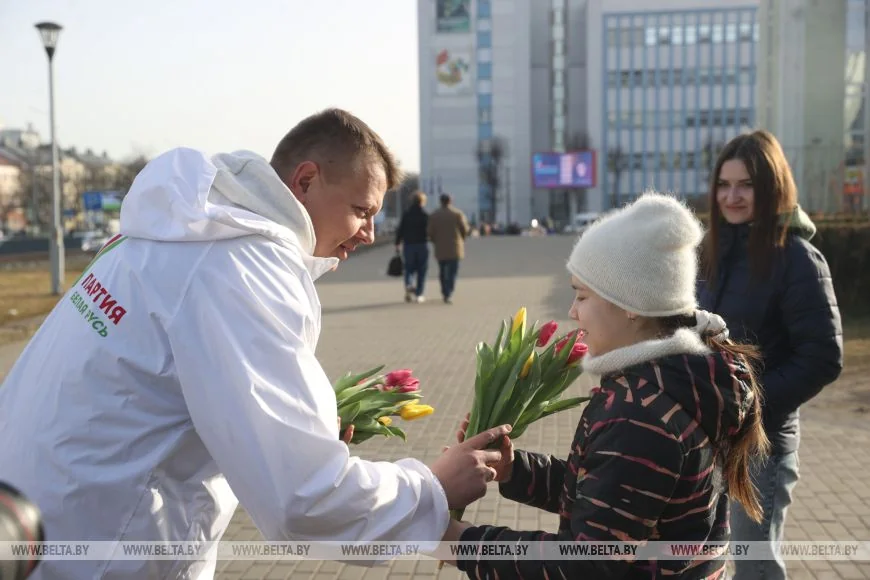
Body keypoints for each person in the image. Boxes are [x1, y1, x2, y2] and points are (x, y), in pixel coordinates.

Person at [0, 108, 510, 579]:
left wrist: (287, 428)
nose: (371, 234)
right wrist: (431, 487)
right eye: (361, 210)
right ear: (306, 181)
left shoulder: (171, 231)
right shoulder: (243, 265)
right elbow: (305, 499)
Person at [439, 192, 771, 579]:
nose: (572, 311)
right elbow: (614, 497)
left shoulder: (640, 413)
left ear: (629, 303)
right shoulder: (680, 380)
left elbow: (588, 564)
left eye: (581, 294)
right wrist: (516, 470)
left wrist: (463, 541)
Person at [697, 130, 843, 580]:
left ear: (772, 187)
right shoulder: (708, 254)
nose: (732, 196)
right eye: (724, 185)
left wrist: (750, 407)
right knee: (703, 561)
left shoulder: (798, 258)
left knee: (756, 566)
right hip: (705, 441)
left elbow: (822, 356)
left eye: (746, 185)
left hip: (759, 447)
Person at [427, 193, 469, 304]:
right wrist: (462, 239)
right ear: (450, 201)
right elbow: (464, 229)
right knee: (452, 272)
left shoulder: (434, 215)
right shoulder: (457, 214)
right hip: (455, 247)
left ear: (440, 201)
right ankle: (449, 292)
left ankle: (444, 291)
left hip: (440, 247)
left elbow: (430, 232)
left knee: (442, 271)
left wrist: (434, 240)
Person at [395, 191, 430, 303]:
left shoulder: (407, 214)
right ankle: (419, 294)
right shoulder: (425, 215)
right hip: (422, 245)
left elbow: (400, 229)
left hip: (408, 245)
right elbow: (430, 231)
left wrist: (397, 243)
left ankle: (409, 284)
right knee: (421, 270)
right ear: (423, 201)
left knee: (409, 268)